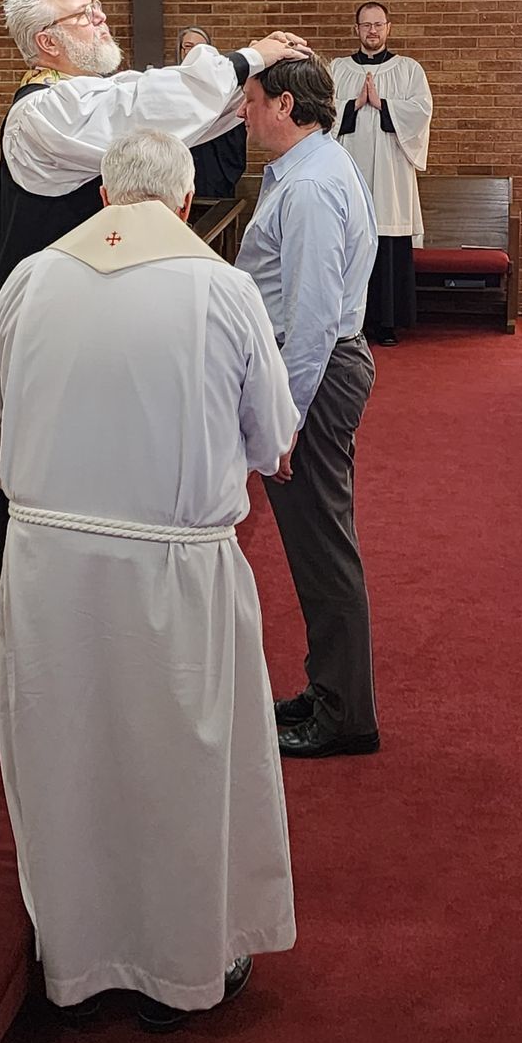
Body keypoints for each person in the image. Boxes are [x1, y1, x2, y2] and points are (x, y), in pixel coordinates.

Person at [0, 131, 299, 1031]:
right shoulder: (220, 289)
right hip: (174, 575)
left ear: (103, 196)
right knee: (178, 768)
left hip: (48, 567)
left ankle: (76, 962)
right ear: (184, 204)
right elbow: (272, 441)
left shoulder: (32, 278)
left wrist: (43, 488)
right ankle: (181, 975)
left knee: (67, 763)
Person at [0, 0, 308, 310]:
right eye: (84, 15)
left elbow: (182, 113)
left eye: (95, 6)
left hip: (84, 294)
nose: (100, 16)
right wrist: (248, 59)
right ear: (47, 41)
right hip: (47, 303)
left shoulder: (87, 92)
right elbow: (145, 107)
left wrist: (252, 78)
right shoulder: (40, 111)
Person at [236, 57, 379, 759]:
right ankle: (330, 688)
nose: (244, 112)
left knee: (323, 547)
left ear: (285, 104)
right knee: (317, 544)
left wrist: (285, 418)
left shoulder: (314, 185)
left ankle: (345, 713)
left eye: (253, 100)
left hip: (314, 377)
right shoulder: (311, 168)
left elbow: (315, 315)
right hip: (312, 368)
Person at [331, 2, 432, 345]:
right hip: (349, 170)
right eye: (365, 25)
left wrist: (384, 105)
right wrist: (353, 105)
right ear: (355, 29)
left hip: (392, 173)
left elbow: (421, 113)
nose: (372, 31)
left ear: (389, 28)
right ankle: (347, 321)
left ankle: (387, 323)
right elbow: (320, 113)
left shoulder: (408, 70)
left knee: (387, 243)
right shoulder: (337, 70)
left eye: (378, 25)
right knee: (350, 242)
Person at [177, 26, 248, 199]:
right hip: (177, 179)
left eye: (201, 48)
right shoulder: (172, 88)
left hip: (213, 174)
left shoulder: (225, 90)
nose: (194, 52)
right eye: (188, 46)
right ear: (180, 51)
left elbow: (234, 137)